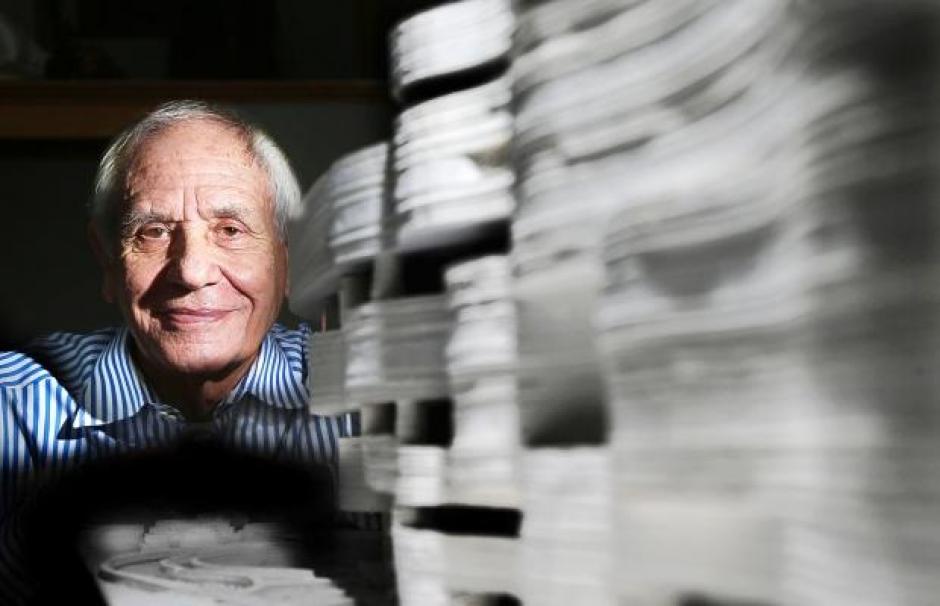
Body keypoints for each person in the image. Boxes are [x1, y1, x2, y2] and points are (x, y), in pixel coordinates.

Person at [0, 100, 360, 601]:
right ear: (107, 261)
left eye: (230, 231)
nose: (191, 271)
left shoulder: (369, 397)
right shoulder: (10, 407)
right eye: (153, 232)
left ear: (288, 257)